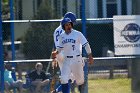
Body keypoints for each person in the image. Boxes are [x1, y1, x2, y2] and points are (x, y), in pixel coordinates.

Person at [52, 18, 94, 93]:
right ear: (63, 27)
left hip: (76, 59)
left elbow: (86, 45)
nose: (68, 26)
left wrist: (90, 56)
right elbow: (60, 48)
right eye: (66, 25)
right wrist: (56, 53)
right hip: (67, 60)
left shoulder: (78, 34)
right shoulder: (62, 36)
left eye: (69, 24)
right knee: (64, 79)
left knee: (80, 81)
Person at [52, 12, 77, 93]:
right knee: (71, 77)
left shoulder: (56, 30)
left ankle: (56, 91)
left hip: (59, 55)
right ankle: (57, 91)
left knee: (66, 79)